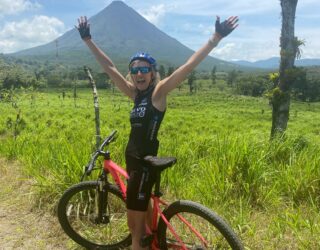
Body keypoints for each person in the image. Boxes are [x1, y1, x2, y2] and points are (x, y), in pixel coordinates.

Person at [77, 14, 238, 250]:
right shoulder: (136, 94)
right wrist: (88, 39)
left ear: (153, 73)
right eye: (135, 70)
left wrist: (216, 37)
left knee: (135, 232)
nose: (139, 74)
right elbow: (110, 68)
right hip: (134, 162)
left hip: (144, 165)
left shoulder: (158, 93)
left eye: (144, 69)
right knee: (144, 219)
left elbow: (187, 66)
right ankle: (154, 241)